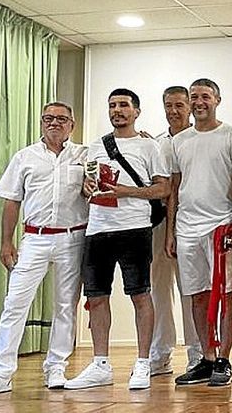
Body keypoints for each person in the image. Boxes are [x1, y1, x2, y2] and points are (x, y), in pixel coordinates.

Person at [0, 103, 87, 396]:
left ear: (71, 125)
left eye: (61, 119)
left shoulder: (83, 155)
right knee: (14, 304)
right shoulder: (24, 157)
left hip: (72, 238)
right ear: (41, 122)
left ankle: (57, 367)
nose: (54, 123)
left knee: (66, 306)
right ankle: (0, 373)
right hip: (34, 239)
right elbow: (11, 200)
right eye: (49, 118)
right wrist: (6, 241)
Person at [66, 89, 170, 390]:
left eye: (124, 105)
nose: (117, 111)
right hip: (97, 228)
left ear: (136, 111)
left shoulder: (150, 147)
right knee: (96, 297)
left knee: (140, 294)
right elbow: (90, 185)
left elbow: (162, 189)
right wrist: (88, 187)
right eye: (112, 105)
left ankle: (142, 363)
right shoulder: (97, 146)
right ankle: (100, 364)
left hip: (134, 228)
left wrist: (127, 191)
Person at [167, 78, 232, 387]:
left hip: (222, 224)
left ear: (217, 100)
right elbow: (174, 188)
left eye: (206, 97)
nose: (200, 102)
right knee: (197, 295)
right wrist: (172, 231)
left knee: (227, 293)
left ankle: (224, 358)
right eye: (194, 97)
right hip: (187, 228)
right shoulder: (179, 140)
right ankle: (207, 357)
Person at [149, 86, 201, 375]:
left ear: (190, 107)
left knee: (191, 289)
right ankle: (160, 351)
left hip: (192, 221)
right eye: (169, 105)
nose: (174, 111)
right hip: (158, 223)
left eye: (180, 105)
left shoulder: (199, 139)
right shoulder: (156, 143)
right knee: (158, 288)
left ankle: (196, 351)